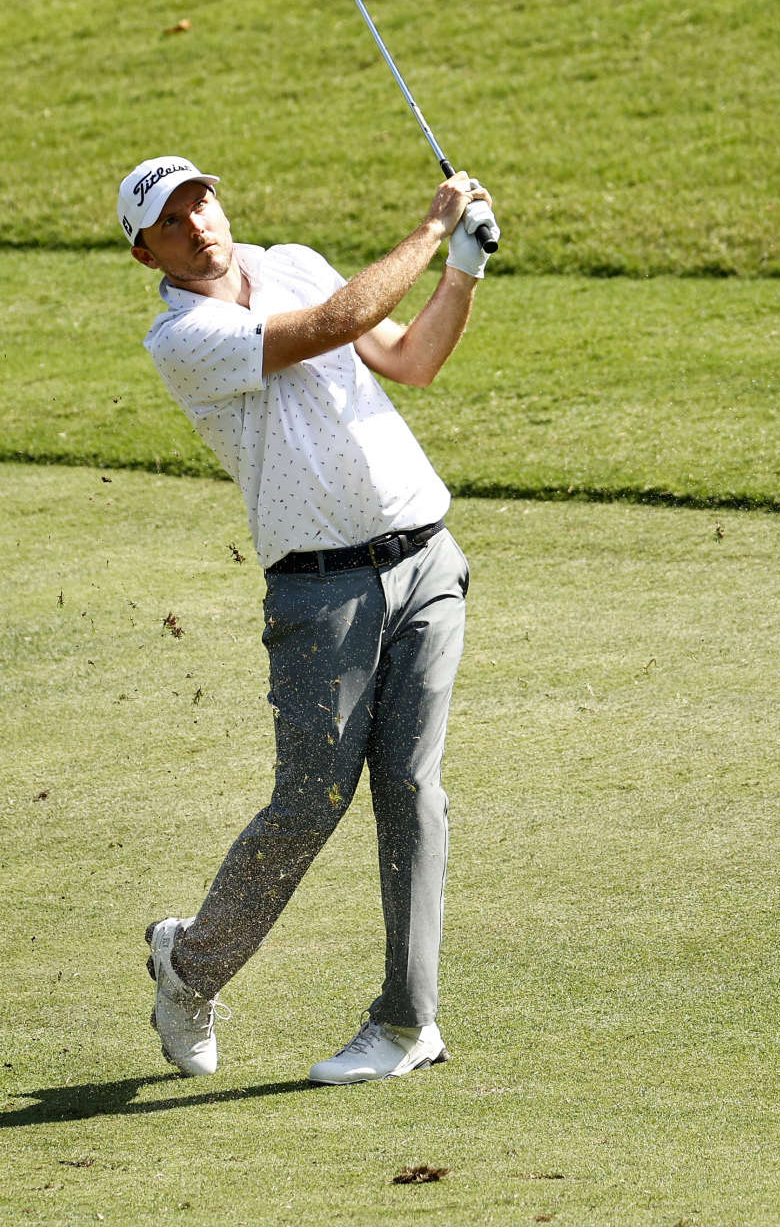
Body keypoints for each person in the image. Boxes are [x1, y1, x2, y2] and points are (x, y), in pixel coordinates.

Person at [119, 155, 496, 1085]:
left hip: (425, 560)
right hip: (318, 592)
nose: (198, 221)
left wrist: (463, 272)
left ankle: (407, 1024)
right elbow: (336, 324)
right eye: (172, 219)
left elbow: (411, 359)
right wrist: (430, 229)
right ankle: (191, 966)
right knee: (311, 801)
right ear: (145, 253)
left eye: (201, 198)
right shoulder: (184, 336)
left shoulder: (293, 257)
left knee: (413, 792)